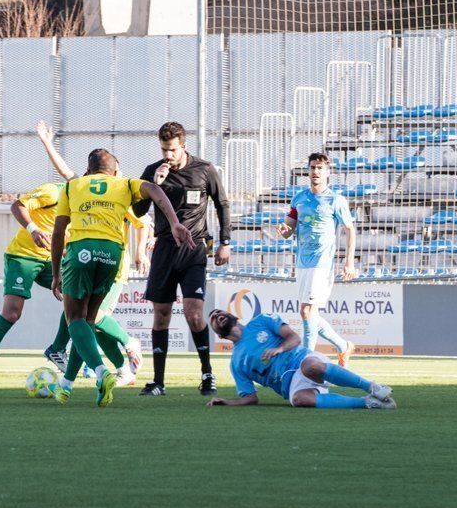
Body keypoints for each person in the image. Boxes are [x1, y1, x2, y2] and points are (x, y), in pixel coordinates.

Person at [50, 148, 194, 408]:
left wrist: (56, 271)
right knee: (89, 320)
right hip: (112, 254)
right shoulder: (124, 183)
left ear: (89, 169)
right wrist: (173, 223)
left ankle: (101, 371)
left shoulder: (73, 187)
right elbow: (156, 191)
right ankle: (67, 385)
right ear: (114, 171)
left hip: (81, 248)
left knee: (74, 318)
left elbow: (58, 231)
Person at [35, 120, 147, 387]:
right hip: (89, 260)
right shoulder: (85, 187)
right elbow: (68, 175)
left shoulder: (119, 189)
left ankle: (127, 344)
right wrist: (47, 144)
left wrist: (141, 252)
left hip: (113, 267)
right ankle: (115, 370)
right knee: (86, 320)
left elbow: (144, 224)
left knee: (91, 319)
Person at [132, 122, 232, 396]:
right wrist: (155, 184)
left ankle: (207, 374)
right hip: (164, 249)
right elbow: (138, 209)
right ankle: (158, 382)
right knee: (161, 315)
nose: (168, 155)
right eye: (164, 149)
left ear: (183, 146)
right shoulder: (153, 171)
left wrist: (225, 242)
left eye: (172, 150)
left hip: (194, 249)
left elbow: (222, 203)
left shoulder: (204, 169)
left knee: (193, 313)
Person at [0, 177, 64, 396]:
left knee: (77, 299)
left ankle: (58, 350)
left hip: (51, 259)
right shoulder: (53, 191)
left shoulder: (85, 204)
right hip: (23, 257)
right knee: (11, 314)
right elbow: (17, 205)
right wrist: (34, 229)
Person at [205, 310, 395, 410]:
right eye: (213, 318)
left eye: (219, 312)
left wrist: (279, 348)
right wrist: (227, 402)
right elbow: (250, 398)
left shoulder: (262, 320)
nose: (217, 315)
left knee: (310, 367)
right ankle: (368, 403)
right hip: (292, 385)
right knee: (299, 400)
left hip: (302, 359)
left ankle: (371, 387)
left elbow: (294, 338)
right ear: (218, 334)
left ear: (234, 316)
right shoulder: (236, 363)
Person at [275, 152, 358, 367]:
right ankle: (343, 346)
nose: (315, 172)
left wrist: (349, 261)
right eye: (312, 167)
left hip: (322, 263)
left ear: (328, 172)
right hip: (302, 262)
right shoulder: (299, 198)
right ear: (308, 171)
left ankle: (306, 361)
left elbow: (350, 229)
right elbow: (288, 229)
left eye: (320, 168)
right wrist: (283, 230)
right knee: (308, 313)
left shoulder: (336, 200)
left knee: (307, 311)